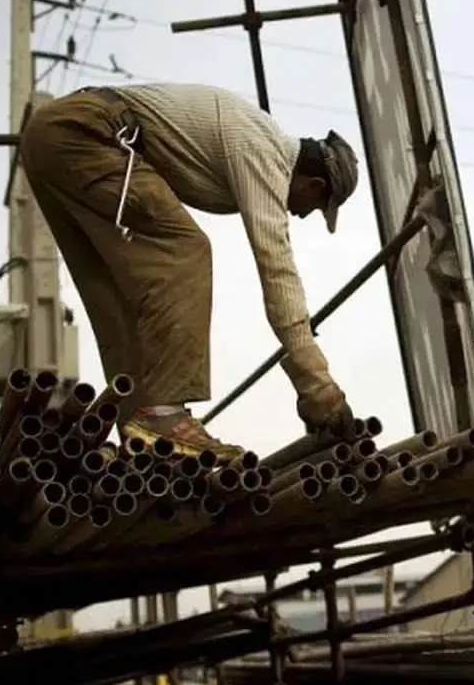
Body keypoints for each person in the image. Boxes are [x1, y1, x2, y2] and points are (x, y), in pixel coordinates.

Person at [19, 83, 361, 461]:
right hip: (89, 134)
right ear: (314, 184)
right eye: (316, 205)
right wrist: (317, 384)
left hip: (51, 138)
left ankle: (140, 429)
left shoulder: (255, 139)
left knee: (122, 292)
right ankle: (163, 414)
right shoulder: (266, 155)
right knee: (187, 251)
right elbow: (276, 266)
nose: (303, 214)